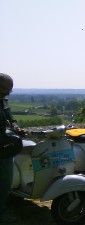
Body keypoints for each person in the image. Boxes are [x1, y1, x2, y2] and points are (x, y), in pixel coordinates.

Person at [0, 73, 24, 223]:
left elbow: (10, 117)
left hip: (3, 144)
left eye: (9, 91)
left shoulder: (3, 100)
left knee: (5, 180)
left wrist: (15, 127)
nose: (7, 93)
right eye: (4, 90)